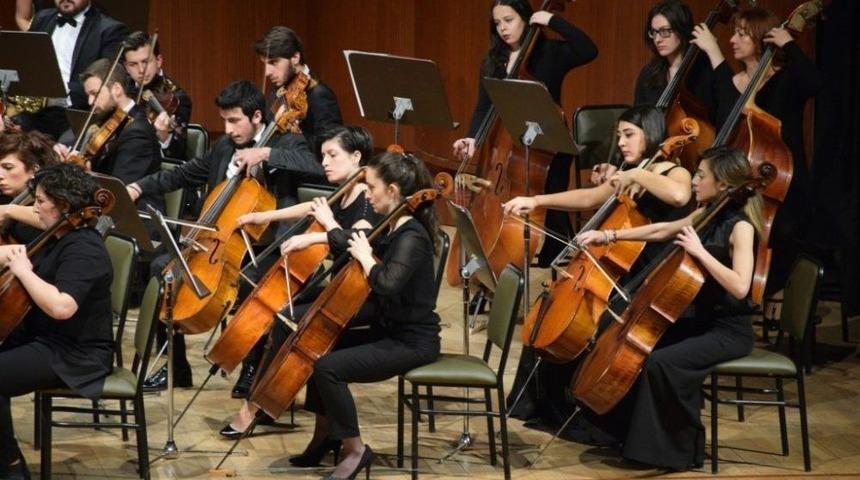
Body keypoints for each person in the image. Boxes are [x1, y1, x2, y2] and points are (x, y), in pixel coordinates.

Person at [502, 105, 692, 435]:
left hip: (646, 276)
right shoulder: (631, 170)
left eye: (629, 134)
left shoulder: (675, 172)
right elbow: (590, 197)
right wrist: (537, 201)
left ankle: (589, 416)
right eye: (619, 136)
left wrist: (637, 175)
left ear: (651, 133)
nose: (621, 143)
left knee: (592, 326)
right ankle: (541, 406)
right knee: (552, 316)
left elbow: (678, 196)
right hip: (616, 270)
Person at [574, 145, 763, 471]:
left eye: (701, 176)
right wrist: (609, 236)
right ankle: (621, 434)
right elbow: (661, 230)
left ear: (722, 184)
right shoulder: (706, 213)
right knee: (641, 350)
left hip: (729, 331)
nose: (694, 182)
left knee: (662, 363)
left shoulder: (741, 227)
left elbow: (740, 286)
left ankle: (677, 452)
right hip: (701, 322)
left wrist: (699, 252)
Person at [125, 80, 320, 392]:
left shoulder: (287, 142)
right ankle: (175, 367)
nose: (228, 129)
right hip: (219, 241)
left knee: (250, 281)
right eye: (224, 121)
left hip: (268, 243)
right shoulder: (225, 147)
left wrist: (266, 153)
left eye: (234, 120)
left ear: (257, 116)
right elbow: (184, 173)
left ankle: (252, 367)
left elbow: (316, 167)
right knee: (163, 270)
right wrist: (139, 186)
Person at [285, 151, 441, 479]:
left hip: (413, 341)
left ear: (393, 191)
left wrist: (367, 258)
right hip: (390, 330)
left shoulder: (412, 236)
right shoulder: (393, 224)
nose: (367, 195)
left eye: (372, 188)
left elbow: (387, 283)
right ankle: (325, 435)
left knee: (328, 368)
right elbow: (351, 239)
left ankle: (355, 450)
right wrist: (316, 237)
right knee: (319, 348)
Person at [219, 125, 382, 424]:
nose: (325, 163)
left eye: (332, 155)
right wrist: (261, 216)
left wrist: (317, 233)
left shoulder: (367, 199)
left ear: (356, 156)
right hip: (340, 288)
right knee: (283, 312)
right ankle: (268, 399)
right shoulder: (347, 189)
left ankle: (261, 404)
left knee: (290, 319)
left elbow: (360, 238)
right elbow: (314, 206)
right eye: (323, 156)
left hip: (361, 296)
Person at [452, 0, 598, 266]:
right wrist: (473, 138)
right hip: (506, 146)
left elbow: (588, 50)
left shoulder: (550, 53)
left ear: (526, 18)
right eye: (497, 23)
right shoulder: (492, 62)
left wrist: (552, 20)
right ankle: (501, 253)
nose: (503, 28)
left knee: (552, 200)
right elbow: (483, 106)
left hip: (549, 144)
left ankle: (555, 254)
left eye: (509, 20)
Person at [692, 6, 822, 295]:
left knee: (783, 232)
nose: (732, 40)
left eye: (741, 34)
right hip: (740, 185)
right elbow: (726, 119)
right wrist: (713, 54)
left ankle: (767, 294)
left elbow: (815, 82)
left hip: (781, 185)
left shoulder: (785, 80)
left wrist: (789, 44)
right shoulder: (731, 83)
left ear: (762, 38)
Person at [0, 163, 114, 480]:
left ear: (63, 205)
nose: (34, 208)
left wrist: (24, 272)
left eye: (39, 201)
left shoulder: (85, 248)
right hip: (43, 337)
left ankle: (11, 469)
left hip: (74, 352)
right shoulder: (58, 233)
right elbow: (17, 253)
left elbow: (62, 307)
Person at [53, 58, 165, 217]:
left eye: (95, 94)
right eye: (88, 95)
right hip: (105, 209)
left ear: (117, 89)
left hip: (134, 217)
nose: (90, 101)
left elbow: (118, 190)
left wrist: (84, 173)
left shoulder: (137, 132)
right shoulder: (107, 119)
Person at [233, 25, 343, 178]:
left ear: (295, 58)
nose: (267, 72)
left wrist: (267, 154)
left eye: (274, 62)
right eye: (265, 64)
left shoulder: (319, 95)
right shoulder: (278, 90)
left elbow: (329, 160)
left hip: (301, 184)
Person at [13, 0, 128, 140]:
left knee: (65, 145)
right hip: (36, 112)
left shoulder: (110, 30)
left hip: (76, 114)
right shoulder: (42, 18)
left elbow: (109, 80)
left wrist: (59, 89)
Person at [122, 30, 194, 160]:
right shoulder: (122, 91)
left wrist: (165, 137)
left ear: (159, 60)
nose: (141, 70)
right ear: (126, 67)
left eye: (146, 62)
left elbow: (177, 154)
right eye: (133, 64)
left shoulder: (177, 98)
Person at [0, 131, 60, 245]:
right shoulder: (4, 198)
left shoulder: (48, 203)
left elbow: (53, 218)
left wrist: (8, 210)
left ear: (34, 170)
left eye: (8, 167)